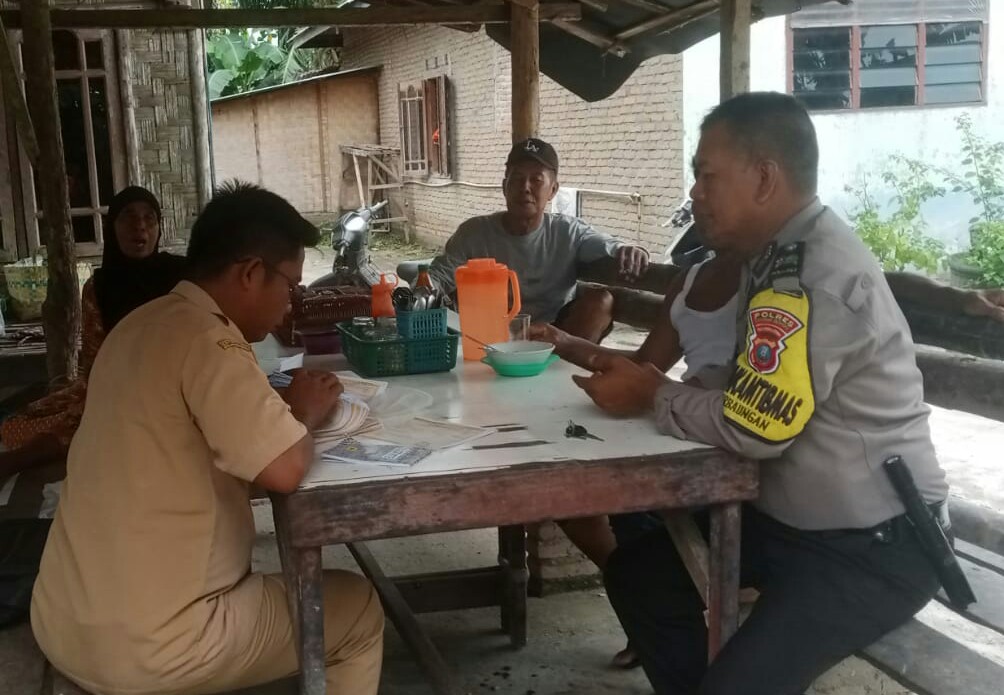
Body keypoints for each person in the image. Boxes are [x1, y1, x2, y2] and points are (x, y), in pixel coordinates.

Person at [569, 92, 951, 694]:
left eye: (706, 175)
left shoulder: (813, 274)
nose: (694, 192)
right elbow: (762, 379)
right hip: (788, 523)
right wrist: (690, 386)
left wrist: (655, 395)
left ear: (765, 178)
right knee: (639, 574)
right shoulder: (772, 258)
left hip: (876, 545)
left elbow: (756, 427)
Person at [30, 181, 384, 695]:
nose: (292, 305)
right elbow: (284, 469)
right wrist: (304, 414)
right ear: (249, 273)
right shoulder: (211, 339)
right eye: (290, 286)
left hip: (63, 620)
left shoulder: (141, 324)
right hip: (152, 645)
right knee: (357, 611)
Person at [0, 186, 187, 480]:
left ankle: (13, 462)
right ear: (112, 228)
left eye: (149, 218)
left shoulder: (182, 276)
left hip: (178, 382)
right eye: (128, 217)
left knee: (91, 423)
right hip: (116, 381)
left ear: (158, 228)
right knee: (22, 422)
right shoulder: (99, 287)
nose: (140, 226)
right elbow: (95, 357)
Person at [427, 137, 650, 343]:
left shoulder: (568, 232)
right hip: (490, 337)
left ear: (553, 190)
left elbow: (607, 245)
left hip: (555, 337)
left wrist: (627, 249)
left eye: (536, 180)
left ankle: (567, 373)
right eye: (517, 179)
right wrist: (417, 293)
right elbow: (440, 276)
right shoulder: (474, 233)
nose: (525, 188)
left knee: (601, 301)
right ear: (505, 186)